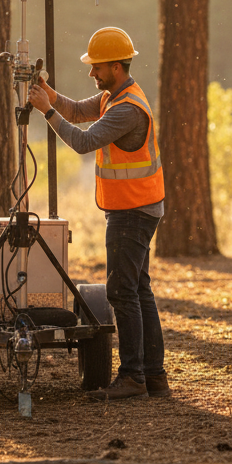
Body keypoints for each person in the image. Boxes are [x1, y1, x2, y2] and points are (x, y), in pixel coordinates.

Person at [27, 27, 168, 400]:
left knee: (121, 292)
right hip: (138, 206)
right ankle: (153, 377)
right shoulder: (115, 95)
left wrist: (46, 111)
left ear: (118, 67)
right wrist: (49, 93)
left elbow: (83, 141)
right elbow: (76, 110)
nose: (92, 74)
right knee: (139, 290)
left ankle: (134, 377)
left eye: (98, 68)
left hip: (132, 211)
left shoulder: (125, 110)